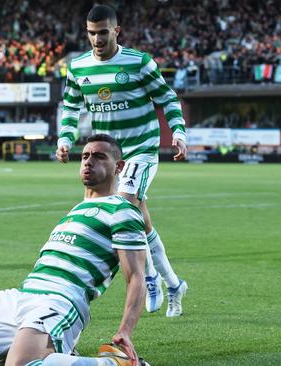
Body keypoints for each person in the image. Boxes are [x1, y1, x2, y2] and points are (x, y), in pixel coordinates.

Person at [0, 134, 148, 366]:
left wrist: (125, 330)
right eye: (85, 156)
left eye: (99, 156)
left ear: (119, 167)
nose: (88, 161)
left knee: (19, 364)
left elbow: (136, 276)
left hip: (60, 300)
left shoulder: (122, 210)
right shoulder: (77, 209)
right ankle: (46, 354)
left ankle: (115, 363)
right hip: (20, 296)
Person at [55, 4, 188, 317]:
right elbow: (71, 107)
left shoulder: (139, 63)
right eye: (91, 33)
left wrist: (178, 133)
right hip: (109, 155)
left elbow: (167, 98)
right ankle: (172, 283)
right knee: (139, 217)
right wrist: (65, 139)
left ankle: (150, 278)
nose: (97, 39)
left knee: (124, 204)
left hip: (141, 149)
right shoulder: (78, 67)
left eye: (103, 32)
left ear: (116, 31)